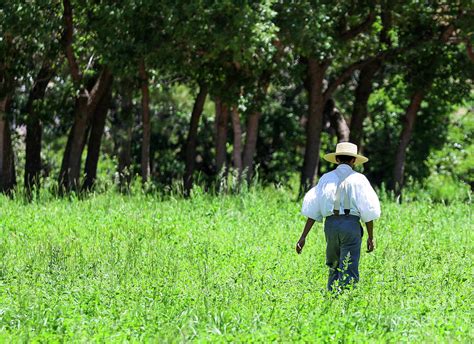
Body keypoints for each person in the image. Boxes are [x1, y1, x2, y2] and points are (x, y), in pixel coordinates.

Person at [296, 142, 381, 291]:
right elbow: (368, 210)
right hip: (351, 225)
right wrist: (370, 236)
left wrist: (303, 237)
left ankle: (332, 297)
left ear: (336, 159)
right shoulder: (359, 179)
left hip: (330, 226)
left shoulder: (326, 178)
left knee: (333, 265)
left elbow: (313, 209)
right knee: (349, 265)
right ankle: (346, 303)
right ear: (354, 160)